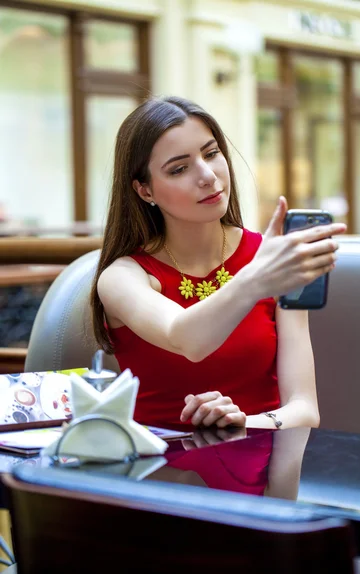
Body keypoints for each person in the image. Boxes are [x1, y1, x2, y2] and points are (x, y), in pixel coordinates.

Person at [90, 95, 346, 431]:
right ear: (145, 191)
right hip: (157, 474)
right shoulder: (123, 276)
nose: (208, 176)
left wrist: (244, 422)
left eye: (211, 154)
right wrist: (256, 278)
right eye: (179, 168)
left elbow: (304, 409)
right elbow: (186, 339)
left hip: (258, 465)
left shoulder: (268, 258)